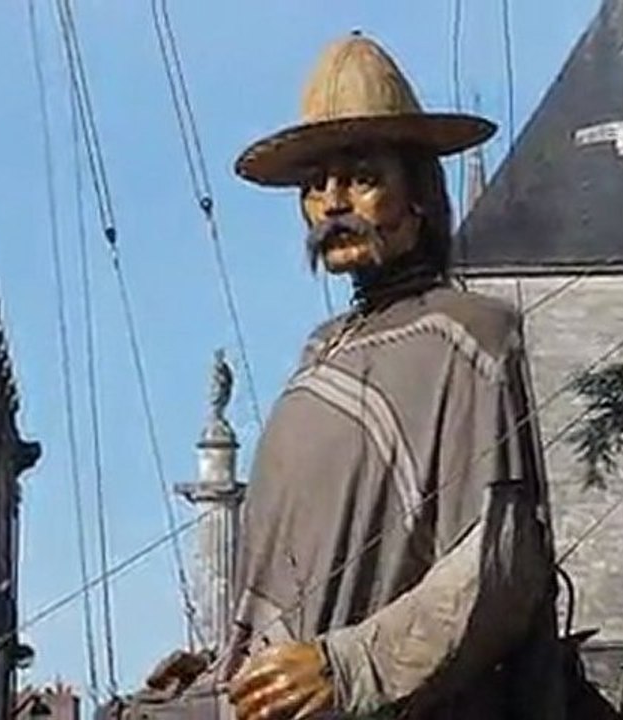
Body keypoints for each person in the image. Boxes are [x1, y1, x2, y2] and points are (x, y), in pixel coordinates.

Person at [138, 31, 569, 720]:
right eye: (316, 185)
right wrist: (225, 665)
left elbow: (498, 562)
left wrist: (348, 666)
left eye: (362, 178)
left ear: (419, 196)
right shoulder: (321, 352)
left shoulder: (473, 338)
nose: (333, 200)